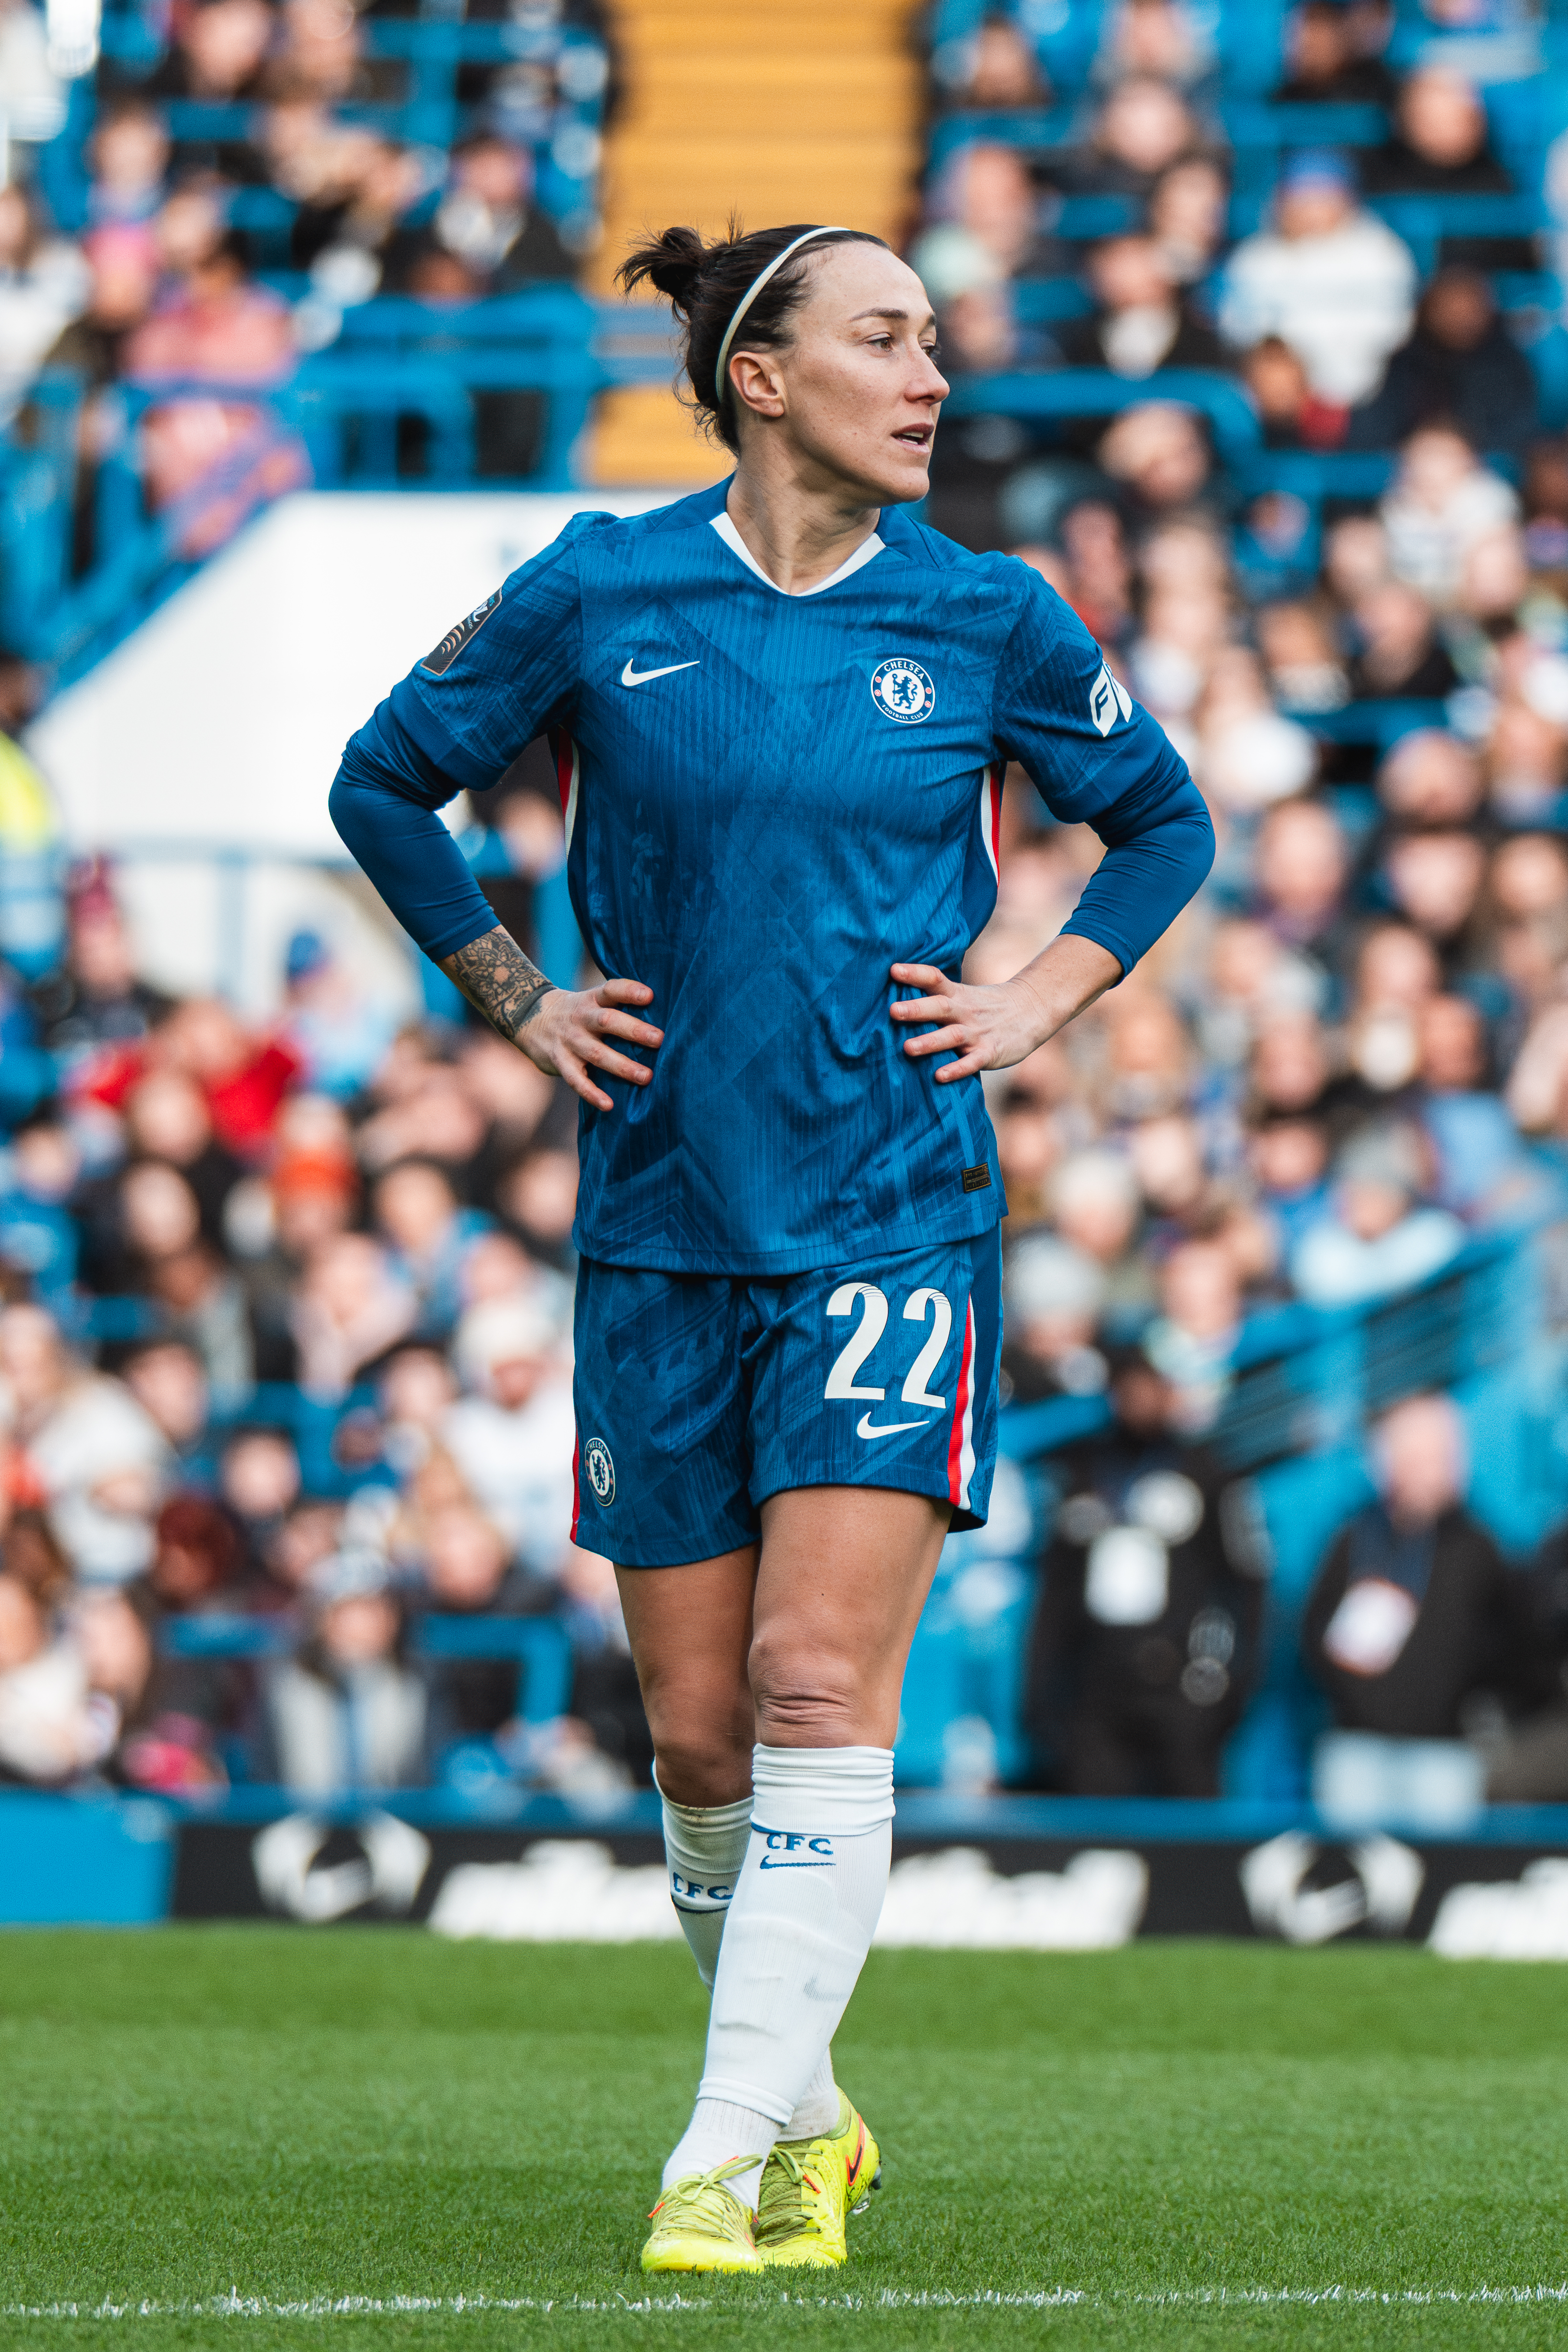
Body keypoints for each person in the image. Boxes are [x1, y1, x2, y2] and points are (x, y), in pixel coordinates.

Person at [329, 218, 1213, 2275]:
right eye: (886, 341)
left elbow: (1157, 817)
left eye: (936, 344)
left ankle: (722, 2159)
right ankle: (805, 2109)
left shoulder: (985, 612)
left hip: (892, 1219)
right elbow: (386, 784)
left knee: (817, 1687)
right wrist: (507, 990)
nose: (930, 379)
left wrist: (1040, 994)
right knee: (700, 1740)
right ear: (759, 374)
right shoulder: (597, 583)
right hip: (656, 1231)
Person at [1025, 1347, 1269, 1794]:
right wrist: (1041, 1695)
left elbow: (1248, 1581)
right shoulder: (1085, 1474)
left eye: (1152, 1386)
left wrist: (1234, 1691)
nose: (1141, 1399)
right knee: (1098, 1840)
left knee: (1188, 1838)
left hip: (1182, 1685)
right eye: (1129, 1387)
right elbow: (1055, 1592)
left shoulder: (1209, 1473)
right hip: (1097, 1688)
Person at [1301, 1392, 1524, 1828]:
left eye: (1439, 1456)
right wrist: (1354, 1696)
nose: (1429, 1469)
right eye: (1415, 1455)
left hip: (1444, 1754)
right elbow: (1314, 1632)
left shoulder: (1480, 1548)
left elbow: (1511, 1645)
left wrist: (1465, 1700)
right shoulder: (1355, 1539)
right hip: (1357, 1750)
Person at [1218, 149, 1416, 408]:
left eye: (1320, 198)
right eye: (1300, 198)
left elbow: (1393, 330)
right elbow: (1237, 328)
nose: (1309, 209)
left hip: (1360, 396)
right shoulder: (1256, 257)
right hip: (1274, 398)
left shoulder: (1380, 253)